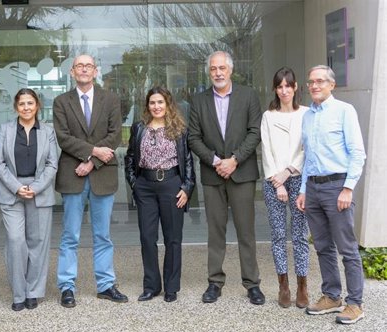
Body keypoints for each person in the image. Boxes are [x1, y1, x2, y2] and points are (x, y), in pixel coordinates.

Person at [188, 51, 265, 305]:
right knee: (215, 231)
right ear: (209, 72)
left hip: (241, 173)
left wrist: (234, 160)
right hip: (213, 174)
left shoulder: (249, 96)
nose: (218, 73)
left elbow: (255, 132)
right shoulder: (198, 100)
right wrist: (215, 161)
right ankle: (214, 282)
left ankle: (252, 284)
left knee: (246, 231)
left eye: (222, 68)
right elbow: (193, 137)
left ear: (230, 70)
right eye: (213, 69)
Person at [53, 54, 127, 308]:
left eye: (88, 66)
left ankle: (106, 285)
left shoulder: (111, 99)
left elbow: (115, 135)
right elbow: (63, 137)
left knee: (103, 235)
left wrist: (92, 162)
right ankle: (67, 286)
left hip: (101, 175)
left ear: (96, 71)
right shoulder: (61, 102)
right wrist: (93, 152)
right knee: (70, 235)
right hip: (72, 176)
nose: (84, 70)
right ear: (72, 72)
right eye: (79, 66)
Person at [297, 65, 366, 324]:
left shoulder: (344, 111)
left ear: (331, 85)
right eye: (311, 82)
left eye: (320, 81)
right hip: (313, 188)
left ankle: (355, 303)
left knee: (348, 249)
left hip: (338, 187)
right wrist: (304, 189)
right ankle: (332, 296)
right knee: (323, 247)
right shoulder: (307, 116)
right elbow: (308, 157)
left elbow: (357, 153)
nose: (314, 86)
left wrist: (348, 188)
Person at [125, 86, 195, 303]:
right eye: (152, 103)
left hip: (172, 185)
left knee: (173, 238)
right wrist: (134, 184)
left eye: (160, 102)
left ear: (168, 104)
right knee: (147, 238)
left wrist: (186, 187)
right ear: (147, 105)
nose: (156, 106)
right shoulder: (139, 128)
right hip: (145, 186)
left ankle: (171, 287)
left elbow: (188, 161)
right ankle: (151, 286)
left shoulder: (179, 129)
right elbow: (129, 158)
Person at [0, 88, 58, 311]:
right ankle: (18, 293)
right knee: (15, 241)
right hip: (12, 191)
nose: (26, 108)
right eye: (22, 104)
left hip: (39, 192)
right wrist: (17, 187)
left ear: (37, 106)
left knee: (38, 243)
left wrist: (35, 187)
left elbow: (52, 164)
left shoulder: (48, 131)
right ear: (16, 107)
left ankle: (33, 292)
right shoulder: (6, 129)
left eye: (30, 103)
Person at [260, 67, 310, 309]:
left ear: (295, 87)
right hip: (273, 182)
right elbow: (266, 150)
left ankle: (302, 285)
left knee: (300, 235)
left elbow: (306, 149)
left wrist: (288, 172)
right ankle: (283, 285)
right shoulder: (268, 116)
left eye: (287, 86)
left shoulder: (307, 114)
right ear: (275, 89)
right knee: (279, 236)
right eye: (279, 86)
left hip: (299, 178)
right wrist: (276, 180)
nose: (284, 90)